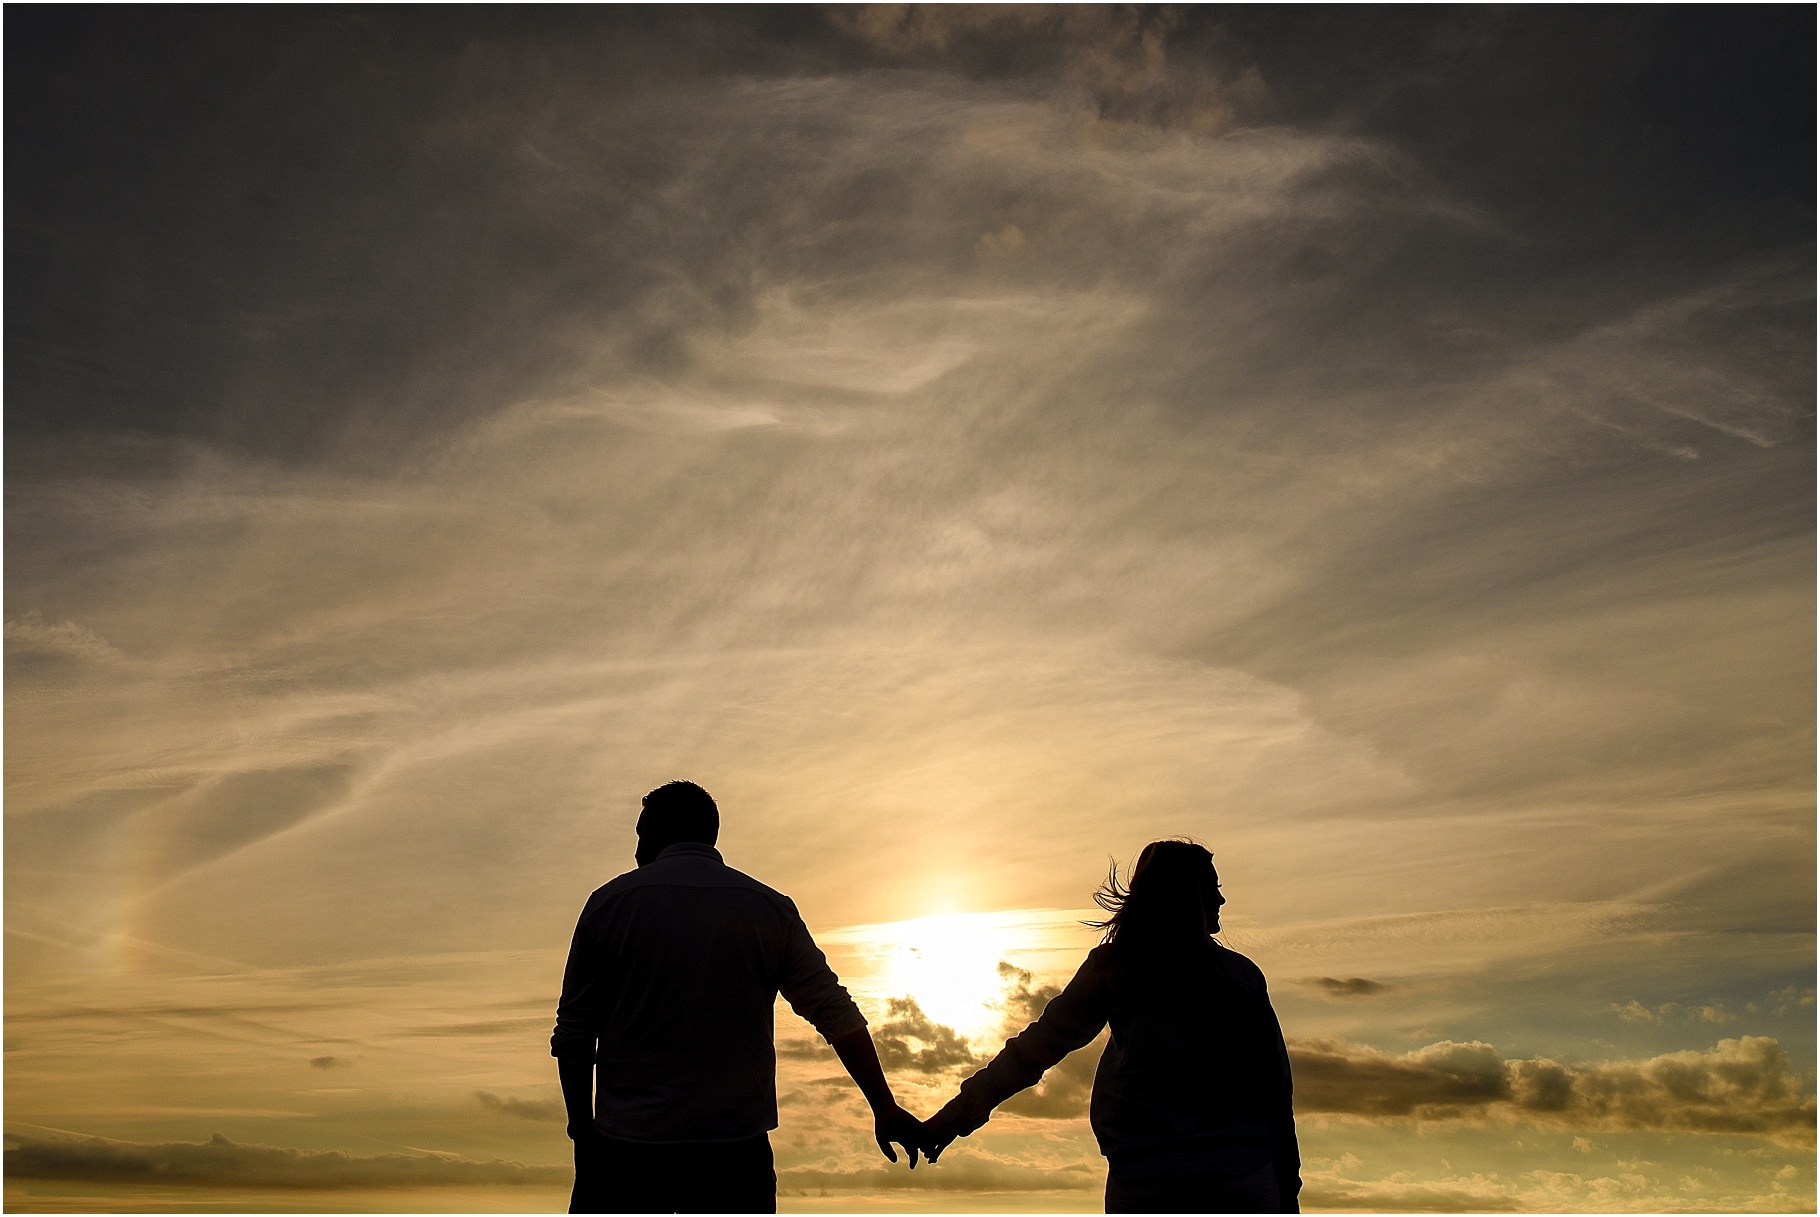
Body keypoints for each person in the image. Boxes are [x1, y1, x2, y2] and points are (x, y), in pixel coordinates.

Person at [552, 780, 923, 1213]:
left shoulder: (609, 904)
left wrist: (582, 1132)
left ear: (656, 834)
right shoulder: (769, 908)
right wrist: (884, 1106)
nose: (636, 850)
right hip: (734, 1156)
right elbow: (835, 1013)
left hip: (626, 1153)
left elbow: (575, 1034)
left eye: (640, 834)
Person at [920, 840, 1301, 1213]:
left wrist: (950, 1120)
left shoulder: (1115, 968)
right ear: (1188, 897)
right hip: (1237, 1179)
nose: (1221, 900)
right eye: (1212, 889)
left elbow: (1037, 1048)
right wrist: (1289, 1185)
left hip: (1146, 1181)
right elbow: (1275, 1089)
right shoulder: (1240, 977)